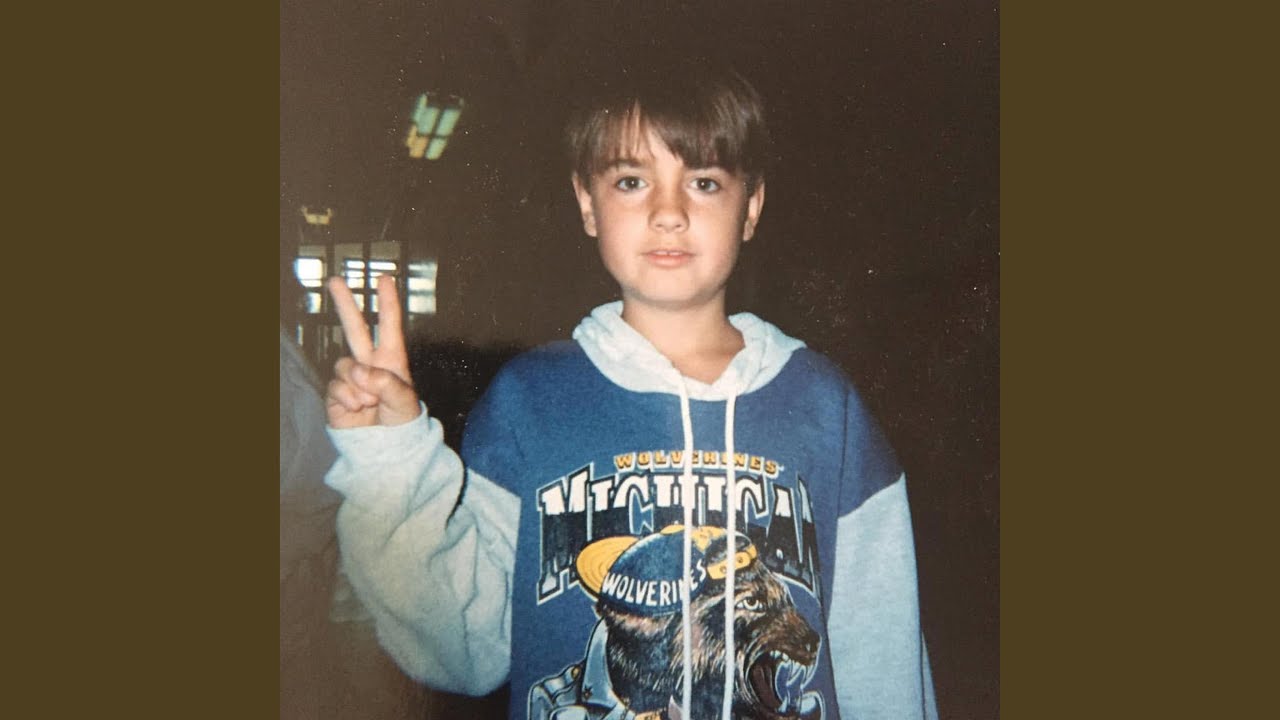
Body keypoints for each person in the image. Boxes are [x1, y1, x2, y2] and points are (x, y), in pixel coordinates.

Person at [323, 56, 938, 720]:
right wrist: (391, 461)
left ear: (751, 207)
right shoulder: (528, 401)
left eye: (704, 182)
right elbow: (462, 651)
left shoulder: (825, 405)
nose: (669, 212)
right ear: (588, 204)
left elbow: (885, 656)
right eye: (631, 181)